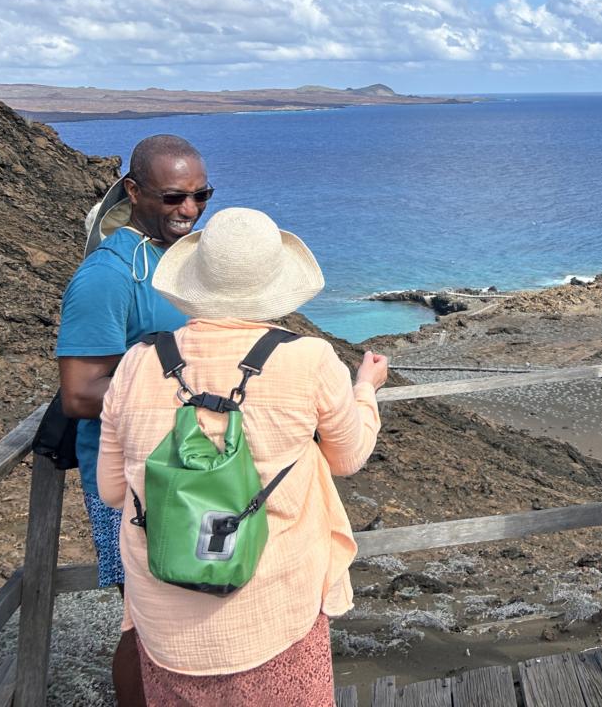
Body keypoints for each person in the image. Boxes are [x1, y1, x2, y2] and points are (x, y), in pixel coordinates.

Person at [97, 207, 387, 703]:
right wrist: (365, 389)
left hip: (166, 620)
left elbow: (111, 490)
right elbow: (348, 456)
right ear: (275, 285)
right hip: (273, 608)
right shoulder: (309, 358)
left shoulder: (137, 363)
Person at [56, 134, 210, 702]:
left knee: (187, 612)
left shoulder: (179, 261)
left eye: (201, 195)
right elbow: (78, 393)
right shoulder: (108, 276)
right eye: (173, 198)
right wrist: (186, 393)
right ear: (134, 192)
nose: (189, 211)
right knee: (143, 623)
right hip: (127, 479)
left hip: (182, 466)